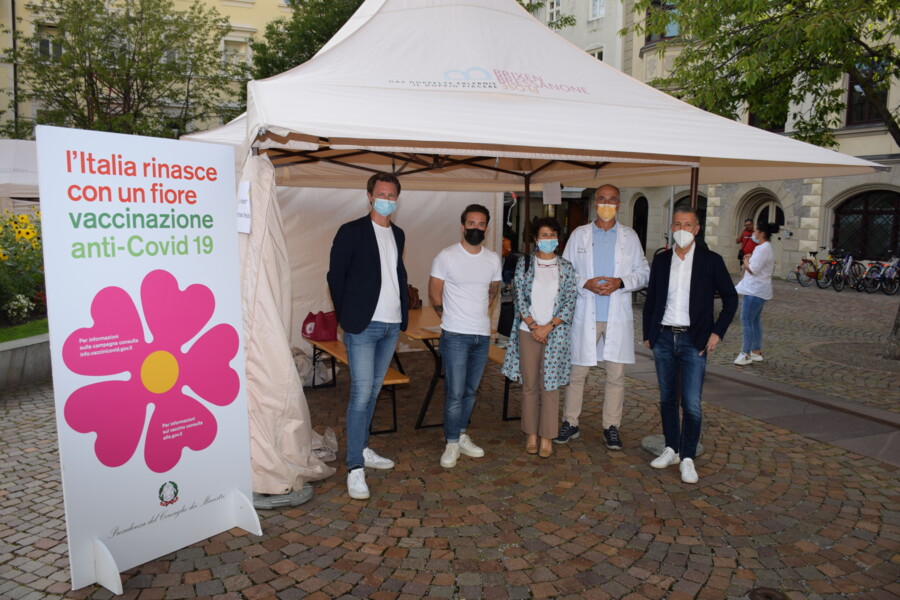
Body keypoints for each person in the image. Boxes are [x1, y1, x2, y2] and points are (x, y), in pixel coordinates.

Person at [327, 172, 408, 500]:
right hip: (363, 325)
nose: (387, 199)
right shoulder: (352, 231)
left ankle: (362, 447)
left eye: (393, 195)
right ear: (370, 196)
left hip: (391, 326)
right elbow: (335, 276)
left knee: (373, 391)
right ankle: (355, 467)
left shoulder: (399, 234)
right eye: (382, 193)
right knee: (360, 395)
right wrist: (346, 318)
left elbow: (395, 273)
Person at [642, 206, 738, 484]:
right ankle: (671, 448)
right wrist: (649, 333)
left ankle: (687, 457)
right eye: (677, 224)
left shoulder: (711, 261)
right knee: (667, 399)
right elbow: (652, 301)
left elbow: (731, 299)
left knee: (692, 404)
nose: (682, 229)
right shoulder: (661, 261)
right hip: (663, 338)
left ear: (697, 229)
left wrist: (716, 333)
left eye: (688, 225)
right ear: (672, 228)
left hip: (693, 340)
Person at [556, 185, 650, 450]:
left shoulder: (630, 236)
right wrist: (585, 282)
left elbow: (644, 272)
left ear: (619, 204)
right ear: (594, 203)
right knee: (578, 371)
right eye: (602, 199)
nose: (606, 203)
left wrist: (621, 282)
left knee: (616, 375)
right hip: (587, 312)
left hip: (616, 314)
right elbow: (564, 271)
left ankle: (611, 426)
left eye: (612, 199)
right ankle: (570, 422)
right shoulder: (580, 235)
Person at [429, 204, 502, 469]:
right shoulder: (446, 256)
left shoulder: (493, 259)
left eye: (480, 224)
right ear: (462, 226)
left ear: (486, 227)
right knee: (455, 392)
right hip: (455, 335)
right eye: (471, 223)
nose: (475, 228)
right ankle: (450, 442)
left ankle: (461, 435)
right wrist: (447, 318)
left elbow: (492, 291)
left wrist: (480, 316)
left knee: (471, 391)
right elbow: (434, 291)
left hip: (481, 335)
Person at [500, 218, 577, 458]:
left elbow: (570, 300)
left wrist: (548, 327)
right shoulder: (524, 264)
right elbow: (520, 297)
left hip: (555, 333)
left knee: (550, 386)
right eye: (543, 235)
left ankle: (547, 436)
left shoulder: (566, 267)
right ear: (535, 238)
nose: (548, 239)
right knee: (530, 386)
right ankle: (531, 433)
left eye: (552, 234)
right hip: (527, 332)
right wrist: (534, 326)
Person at [734, 222, 779, 366]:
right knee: (754, 321)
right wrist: (748, 262)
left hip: (755, 290)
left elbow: (753, 269)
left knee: (746, 320)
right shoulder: (764, 248)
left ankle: (745, 353)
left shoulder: (763, 248)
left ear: (762, 233)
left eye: (755, 232)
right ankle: (755, 351)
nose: (753, 234)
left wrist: (746, 261)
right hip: (759, 290)